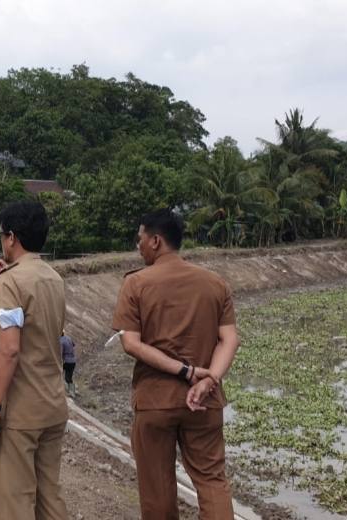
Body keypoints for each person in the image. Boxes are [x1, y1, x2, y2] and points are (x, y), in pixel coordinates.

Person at [111, 208, 240, 520]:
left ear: (155, 241)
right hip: (205, 401)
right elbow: (230, 340)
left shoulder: (136, 283)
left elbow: (131, 343)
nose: (138, 246)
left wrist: (186, 371)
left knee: (157, 486)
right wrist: (208, 379)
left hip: (156, 400)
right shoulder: (215, 283)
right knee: (212, 481)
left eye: (140, 239)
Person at [0, 201, 68, 520]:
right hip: (53, 403)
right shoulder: (54, 278)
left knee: (14, 502)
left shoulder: (10, 282)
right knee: (49, 496)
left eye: (2, 236)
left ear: (12, 237)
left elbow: (10, 349)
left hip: (20, 411)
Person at [60, 332, 77, 398]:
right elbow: (74, 345)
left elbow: (60, 353)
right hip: (73, 360)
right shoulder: (68, 338)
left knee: (66, 377)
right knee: (69, 377)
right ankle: (72, 391)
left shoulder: (61, 341)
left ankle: (69, 392)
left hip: (67, 361)